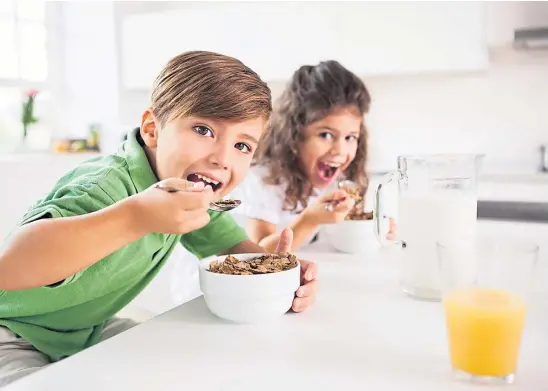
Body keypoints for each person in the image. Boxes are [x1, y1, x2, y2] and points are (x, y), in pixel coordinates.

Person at [0, 51, 318, 387]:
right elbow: (10, 266)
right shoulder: (106, 185)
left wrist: (278, 274)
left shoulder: (192, 194)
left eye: (242, 145)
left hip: (85, 331)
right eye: (203, 130)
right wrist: (135, 217)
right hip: (13, 329)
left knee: (184, 364)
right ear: (153, 129)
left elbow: (233, 247)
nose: (222, 159)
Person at [231, 60, 372, 252]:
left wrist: (377, 231)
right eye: (326, 135)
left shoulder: (337, 178)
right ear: (295, 136)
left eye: (350, 137)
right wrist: (310, 220)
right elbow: (259, 255)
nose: (340, 151)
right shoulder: (264, 181)